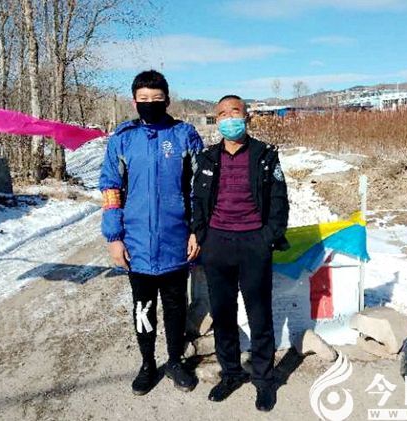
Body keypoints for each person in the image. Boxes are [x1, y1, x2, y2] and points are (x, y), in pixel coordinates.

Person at [100, 70, 203, 395]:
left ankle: (175, 360)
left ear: (167, 100)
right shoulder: (122, 139)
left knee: (175, 307)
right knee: (143, 308)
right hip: (137, 244)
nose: (150, 103)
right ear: (134, 101)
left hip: (176, 242)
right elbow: (110, 189)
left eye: (156, 99)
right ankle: (147, 364)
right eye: (143, 99)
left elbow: (200, 188)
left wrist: (196, 231)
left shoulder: (184, 135)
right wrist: (114, 238)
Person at [191, 95, 290, 412]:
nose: (228, 118)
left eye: (234, 111)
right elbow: (197, 201)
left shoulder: (265, 155)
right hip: (217, 245)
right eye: (222, 114)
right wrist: (201, 235)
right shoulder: (207, 158)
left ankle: (264, 379)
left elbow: (279, 200)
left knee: (259, 315)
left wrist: (267, 237)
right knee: (223, 314)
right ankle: (231, 373)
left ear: (246, 117)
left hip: (253, 244)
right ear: (216, 120)